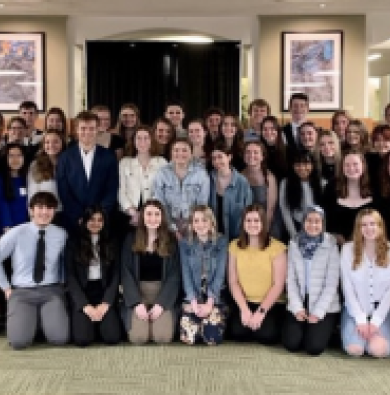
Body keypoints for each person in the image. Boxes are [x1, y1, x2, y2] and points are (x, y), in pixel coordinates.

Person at [0, 191, 69, 350]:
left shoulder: (61, 234)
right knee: (19, 342)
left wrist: (64, 287)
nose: (44, 212)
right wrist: (6, 287)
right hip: (22, 292)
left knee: (60, 339)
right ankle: (32, 321)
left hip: (51, 291)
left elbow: (66, 264)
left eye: (49, 208)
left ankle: (40, 320)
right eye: (40, 207)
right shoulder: (17, 232)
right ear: (31, 210)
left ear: (54, 211)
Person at [282, 206, 340, 356]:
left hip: (324, 304)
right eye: (309, 220)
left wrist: (318, 312)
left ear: (323, 224)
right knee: (291, 344)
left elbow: (331, 284)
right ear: (303, 222)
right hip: (301, 300)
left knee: (313, 348)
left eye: (317, 221)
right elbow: (291, 280)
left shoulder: (331, 245)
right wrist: (297, 308)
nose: (313, 225)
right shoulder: (294, 244)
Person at [121, 200, 180, 344]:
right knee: (139, 338)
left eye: (156, 214)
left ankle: (158, 319)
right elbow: (126, 272)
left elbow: (174, 275)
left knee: (162, 337)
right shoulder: (131, 239)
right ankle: (141, 319)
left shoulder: (171, 240)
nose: (152, 218)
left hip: (162, 293)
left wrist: (161, 304)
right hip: (138, 293)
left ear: (162, 217)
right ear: (142, 217)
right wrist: (136, 303)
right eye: (148, 214)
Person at [228, 204, 287, 345]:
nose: (252, 224)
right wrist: (244, 309)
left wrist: (261, 312)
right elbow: (233, 282)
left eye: (256, 221)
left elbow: (278, 285)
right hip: (246, 301)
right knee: (237, 333)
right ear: (243, 223)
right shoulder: (234, 246)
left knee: (267, 336)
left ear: (263, 223)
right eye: (248, 221)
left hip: (269, 304)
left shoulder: (277, 248)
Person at [65, 206, 122, 347]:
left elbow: (116, 275)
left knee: (112, 338)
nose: (96, 223)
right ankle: (90, 322)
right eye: (91, 219)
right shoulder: (73, 243)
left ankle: (98, 323)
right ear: (84, 221)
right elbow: (70, 277)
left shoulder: (112, 242)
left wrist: (106, 303)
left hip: (103, 293)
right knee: (82, 340)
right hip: (83, 293)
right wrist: (85, 306)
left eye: (100, 220)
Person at [56, 111, 119, 233]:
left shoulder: (109, 156)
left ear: (97, 130)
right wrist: (79, 216)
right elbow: (64, 190)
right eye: (83, 128)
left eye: (91, 128)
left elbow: (112, 188)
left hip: (101, 221)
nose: (87, 132)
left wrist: (98, 216)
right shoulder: (65, 157)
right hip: (74, 221)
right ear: (76, 130)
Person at [341, 209, 390, 358]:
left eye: (373, 224)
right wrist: (361, 320)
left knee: (378, 350)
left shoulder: (389, 250)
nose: (369, 228)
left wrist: (375, 321)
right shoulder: (347, 250)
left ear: (380, 226)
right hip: (354, 312)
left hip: (381, 313)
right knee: (355, 350)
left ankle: (374, 338)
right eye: (364, 225)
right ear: (358, 228)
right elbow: (347, 288)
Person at [179, 205, 228, 345]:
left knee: (212, 339)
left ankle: (208, 322)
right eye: (196, 221)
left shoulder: (221, 242)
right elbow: (186, 274)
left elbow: (220, 275)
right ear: (192, 224)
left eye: (204, 220)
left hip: (214, 296)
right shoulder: (185, 243)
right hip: (193, 296)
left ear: (211, 222)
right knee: (189, 339)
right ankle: (198, 321)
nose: (200, 224)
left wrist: (209, 303)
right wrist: (193, 302)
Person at [153, 138, 210, 239]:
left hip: (194, 225)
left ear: (191, 153)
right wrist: (172, 228)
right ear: (171, 153)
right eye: (176, 150)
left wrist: (191, 225)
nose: (180, 153)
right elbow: (160, 203)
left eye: (184, 150)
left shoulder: (201, 174)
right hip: (167, 223)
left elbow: (202, 205)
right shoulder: (162, 173)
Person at [119, 125, 167, 227]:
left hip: (155, 216)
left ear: (152, 140)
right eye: (139, 138)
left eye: (146, 138)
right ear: (133, 141)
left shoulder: (162, 162)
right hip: (129, 217)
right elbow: (121, 191)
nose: (142, 142)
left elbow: (163, 190)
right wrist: (133, 213)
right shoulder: (124, 163)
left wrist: (148, 213)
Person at [324, 150, 375, 245]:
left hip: (370, 244)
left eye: (355, 164)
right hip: (338, 246)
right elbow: (325, 217)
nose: (351, 168)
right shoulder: (331, 187)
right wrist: (334, 235)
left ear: (363, 166)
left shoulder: (375, 187)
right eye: (347, 165)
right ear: (342, 168)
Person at [209, 142, 252, 241]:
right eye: (214, 158)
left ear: (229, 157)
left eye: (220, 157)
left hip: (236, 236)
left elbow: (248, 211)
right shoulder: (208, 179)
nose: (216, 161)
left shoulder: (242, 182)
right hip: (214, 236)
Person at [279, 150, 323, 238]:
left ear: (313, 165)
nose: (302, 168)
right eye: (298, 164)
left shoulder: (322, 183)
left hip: (318, 227)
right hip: (296, 226)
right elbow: (285, 210)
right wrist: (294, 235)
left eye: (306, 164)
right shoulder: (286, 183)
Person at [241, 141, 278, 237]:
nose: (251, 155)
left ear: (262, 156)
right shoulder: (239, 176)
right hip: (246, 225)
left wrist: (264, 232)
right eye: (248, 152)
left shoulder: (269, 177)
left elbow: (271, 209)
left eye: (256, 152)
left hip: (268, 225)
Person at [28, 130, 66, 220]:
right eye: (47, 142)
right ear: (43, 145)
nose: (51, 145)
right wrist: (33, 216)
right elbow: (31, 193)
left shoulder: (70, 164)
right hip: (43, 214)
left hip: (65, 214)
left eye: (55, 142)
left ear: (62, 143)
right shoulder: (35, 164)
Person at [0, 143, 29, 233]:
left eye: (19, 155)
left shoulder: (27, 177)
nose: (15, 159)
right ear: (5, 158)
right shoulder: (2, 179)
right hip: (7, 229)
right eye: (11, 156)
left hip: (25, 227)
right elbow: (2, 204)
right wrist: (7, 226)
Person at [260, 116, 288, 183]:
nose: (269, 132)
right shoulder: (258, 150)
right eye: (265, 129)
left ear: (278, 130)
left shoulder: (288, 151)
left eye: (272, 129)